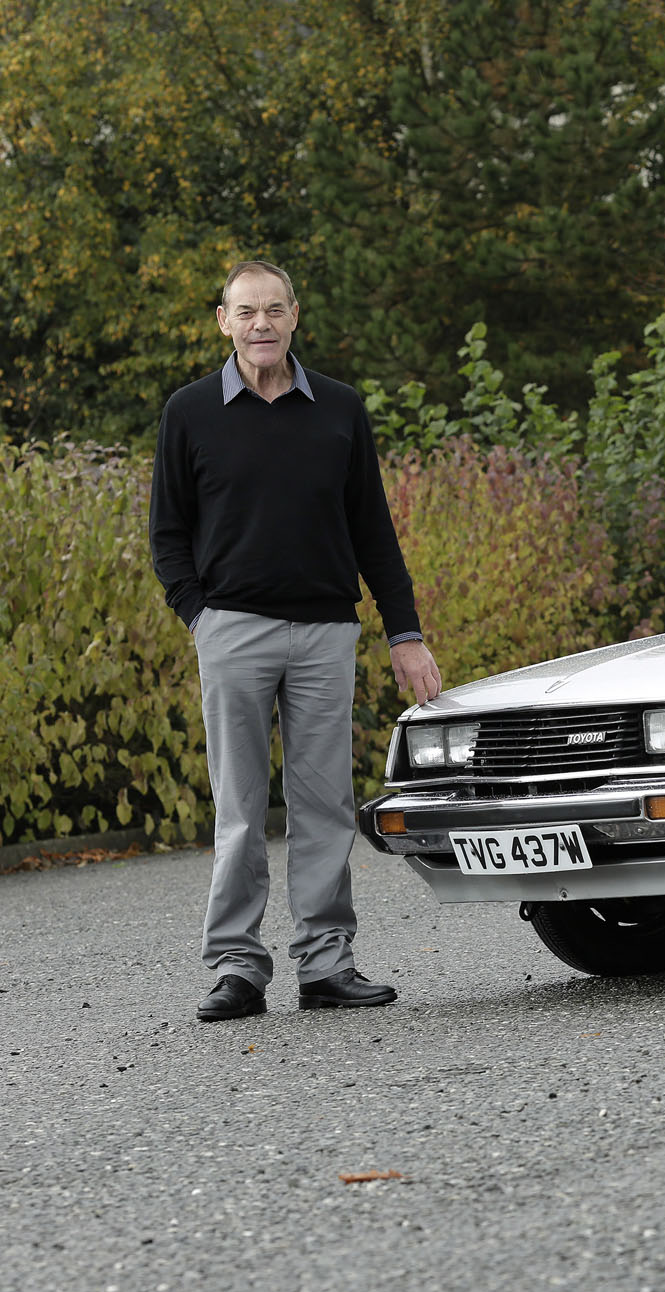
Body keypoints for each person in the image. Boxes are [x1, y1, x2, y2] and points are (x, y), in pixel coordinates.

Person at [149, 260, 443, 1022]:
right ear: (223, 320)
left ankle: (326, 963)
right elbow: (167, 533)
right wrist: (201, 617)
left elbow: (373, 530)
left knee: (325, 804)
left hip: (324, 634)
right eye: (247, 311)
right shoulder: (190, 412)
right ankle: (238, 966)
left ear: (295, 316)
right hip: (232, 631)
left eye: (274, 310)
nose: (261, 324)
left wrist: (403, 632)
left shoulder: (339, 409)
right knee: (240, 808)